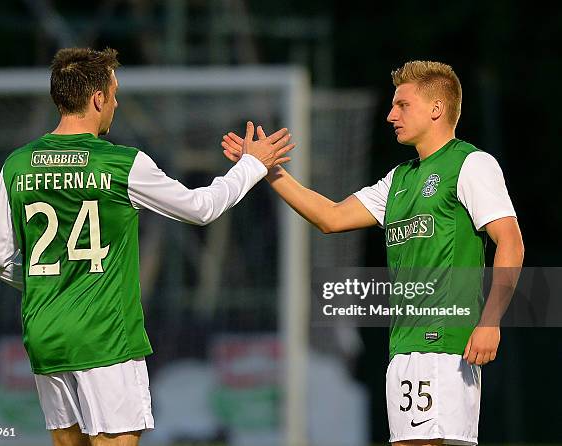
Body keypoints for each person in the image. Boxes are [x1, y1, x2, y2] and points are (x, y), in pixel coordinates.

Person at [0, 47, 294, 446]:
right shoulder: (121, 164)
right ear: (97, 99)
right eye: (113, 93)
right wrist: (253, 165)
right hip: (105, 334)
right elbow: (201, 209)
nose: (116, 102)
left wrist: (53, 287)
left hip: (46, 333)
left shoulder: (17, 165)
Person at [221, 60, 524, 446]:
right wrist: (267, 170)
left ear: (436, 109)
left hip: (444, 344)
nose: (390, 115)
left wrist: (490, 321)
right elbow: (329, 216)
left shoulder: (471, 164)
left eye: (402, 105)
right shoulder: (399, 179)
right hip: (402, 350)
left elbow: (511, 241)